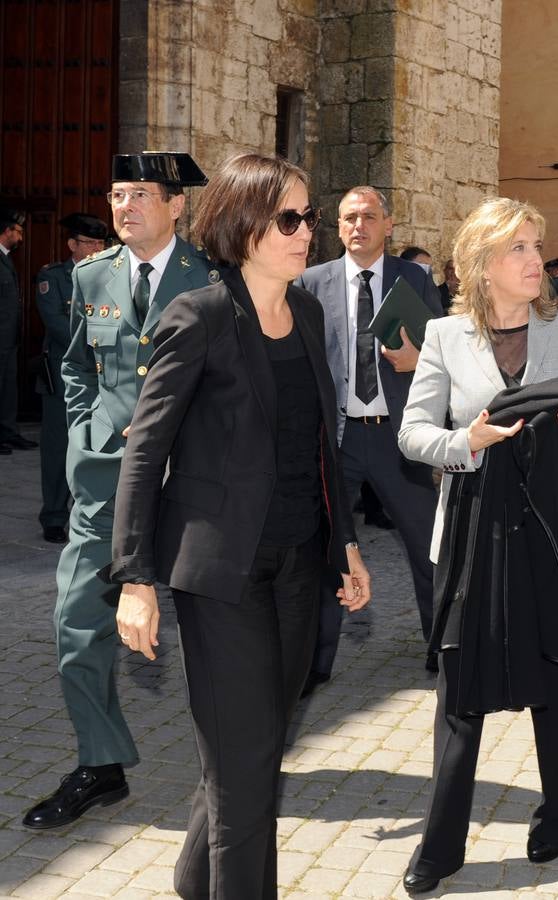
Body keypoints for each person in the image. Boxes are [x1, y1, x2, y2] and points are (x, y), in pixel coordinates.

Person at [108, 152, 371, 899]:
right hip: (220, 576)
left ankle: (197, 884)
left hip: (298, 564)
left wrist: (346, 541)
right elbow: (144, 451)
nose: (306, 231)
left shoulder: (310, 312)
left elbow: (322, 439)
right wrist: (134, 578)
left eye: (308, 216)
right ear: (245, 224)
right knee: (249, 775)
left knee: (244, 761)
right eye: (290, 219)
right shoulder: (199, 314)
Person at [397, 197, 558, 893]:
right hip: (475, 524)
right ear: (483, 264)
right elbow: (413, 432)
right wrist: (469, 442)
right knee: (460, 683)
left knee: (553, 670)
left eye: (535, 246)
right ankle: (440, 846)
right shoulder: (444, 335)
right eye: (518, 248)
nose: (534, 260)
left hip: (550, 525)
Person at [22, 153, 213, 833]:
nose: (124, 207)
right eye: (116, 195)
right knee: (76, 625)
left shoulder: (210, 280)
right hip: (105, 483)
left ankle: (232, 764)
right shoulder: (90, 275)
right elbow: (75, 363)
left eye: (139, 195)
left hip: (190, 486)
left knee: (220, 630)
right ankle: (100, 764)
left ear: (177, 205)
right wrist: (86, 428)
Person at [297, 185, 446, 686]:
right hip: (334, 438)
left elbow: (447, 355)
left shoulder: (415, 279)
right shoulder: (311, 282)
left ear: (387, 225)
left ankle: (442, 648)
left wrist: (418, 360)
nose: (357, 226)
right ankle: (315, 663)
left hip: (396, 438)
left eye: (367, 217)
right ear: (337, 228)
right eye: (347, 218)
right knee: (326, 548)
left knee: (428, 545)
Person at [34, 213, 110, 542]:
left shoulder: (112, 276)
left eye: (101, 243)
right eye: (89, 243)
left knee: (98, 446)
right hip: (63, 376)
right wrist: (100, 341)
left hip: (104, 375)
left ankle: (91, 511)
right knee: (57, 447)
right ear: (72, 245)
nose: (96, 249)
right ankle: (53, 514)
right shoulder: (53, 277)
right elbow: (57, 324)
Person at [0, 206, 33, 453]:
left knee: (9, 388)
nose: (21, 238)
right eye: (18, 232)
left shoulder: (6, 258)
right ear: (6, 231)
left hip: (8, 340)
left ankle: (8, 431)